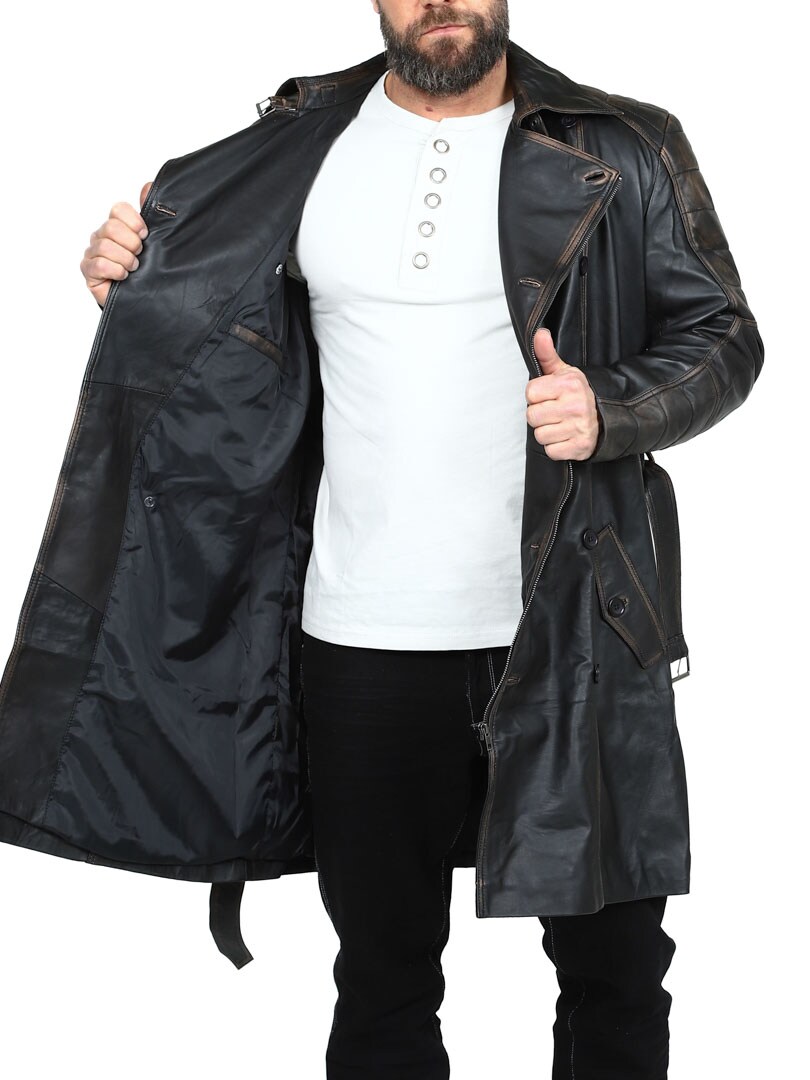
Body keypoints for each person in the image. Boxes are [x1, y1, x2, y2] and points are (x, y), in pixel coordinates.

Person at [1, 2, 762, 1079]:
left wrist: (614, 406)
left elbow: (724, 336)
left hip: (576, 630)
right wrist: (139, 289)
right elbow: (219, 336)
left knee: (617, 976)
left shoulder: (623, 144)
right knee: (381, 985)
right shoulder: (291, 148)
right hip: (358, 641)